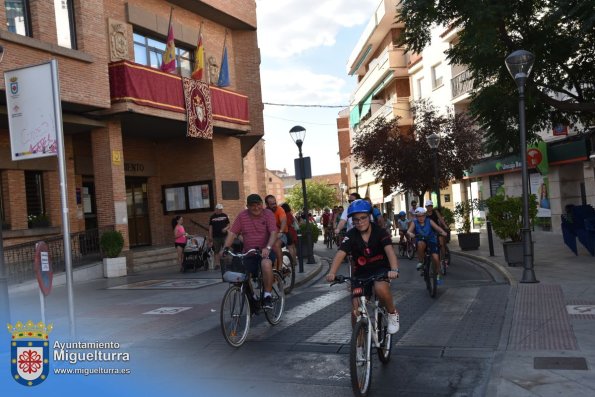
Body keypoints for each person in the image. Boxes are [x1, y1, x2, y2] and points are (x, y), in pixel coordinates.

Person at [326, 199, 400, 334]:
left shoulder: (380, 232)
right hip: (360, 273)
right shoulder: (351, 235)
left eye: (363, 218)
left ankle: (392, 313)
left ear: (369, 216)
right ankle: (359, 346)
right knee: (356, 309)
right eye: (355, 220)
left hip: (380, 270)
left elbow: (390, 251)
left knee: (380, 288)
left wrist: (394, 269)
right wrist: (332, 272)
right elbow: (340, 253)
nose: (360, 222)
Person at [222, 194, 278, 309]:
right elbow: (232, 233)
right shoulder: (242, 216)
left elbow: (273, 232)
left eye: (258, 204)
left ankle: (267, 295)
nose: (256, 208)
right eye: (252, 205)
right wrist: (225, 248)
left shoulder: (268, 214)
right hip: (249, 252)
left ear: (262, 205)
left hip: (265, 251)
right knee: (241, 273)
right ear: (247, 206)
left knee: (266, 264)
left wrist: (267, 248)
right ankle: (253, 297)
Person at [407, 207, 448, 285]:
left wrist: (443, 232)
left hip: (431, 240)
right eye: (419, 216)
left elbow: (437, 228)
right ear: (416, 216)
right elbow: (409, 231)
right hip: (421, 240)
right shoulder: (414, 222)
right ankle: (421, 262)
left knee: (436, 258)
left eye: (422, 216)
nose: (421, 218)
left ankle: (438, 276)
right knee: (420, 243)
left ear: (425, 216)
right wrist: (410, 234)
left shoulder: (429, 221)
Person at [265, 195, 287, 271]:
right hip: (271, 235)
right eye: (272, 204)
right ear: (267, 205)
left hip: (282, 233)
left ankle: (280, 267)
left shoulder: (280, 209)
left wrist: (281, 231)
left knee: (276, 245)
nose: (274, 205)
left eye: (275, 203)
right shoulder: (265, 212)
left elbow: (283, 221)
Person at [208, 203, 230, 269]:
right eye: (219, 209)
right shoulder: (212, 217)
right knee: (216, 251)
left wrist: (225, 229)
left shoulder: (225, 215)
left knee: (225, 250)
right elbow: (210, 227)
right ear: (216, 209)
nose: (221, 210)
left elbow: (229, 225)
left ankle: (226, 263)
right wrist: (210, 236)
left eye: (221, 209)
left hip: (224, 236)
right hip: (215, 236)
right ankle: (217, 264)